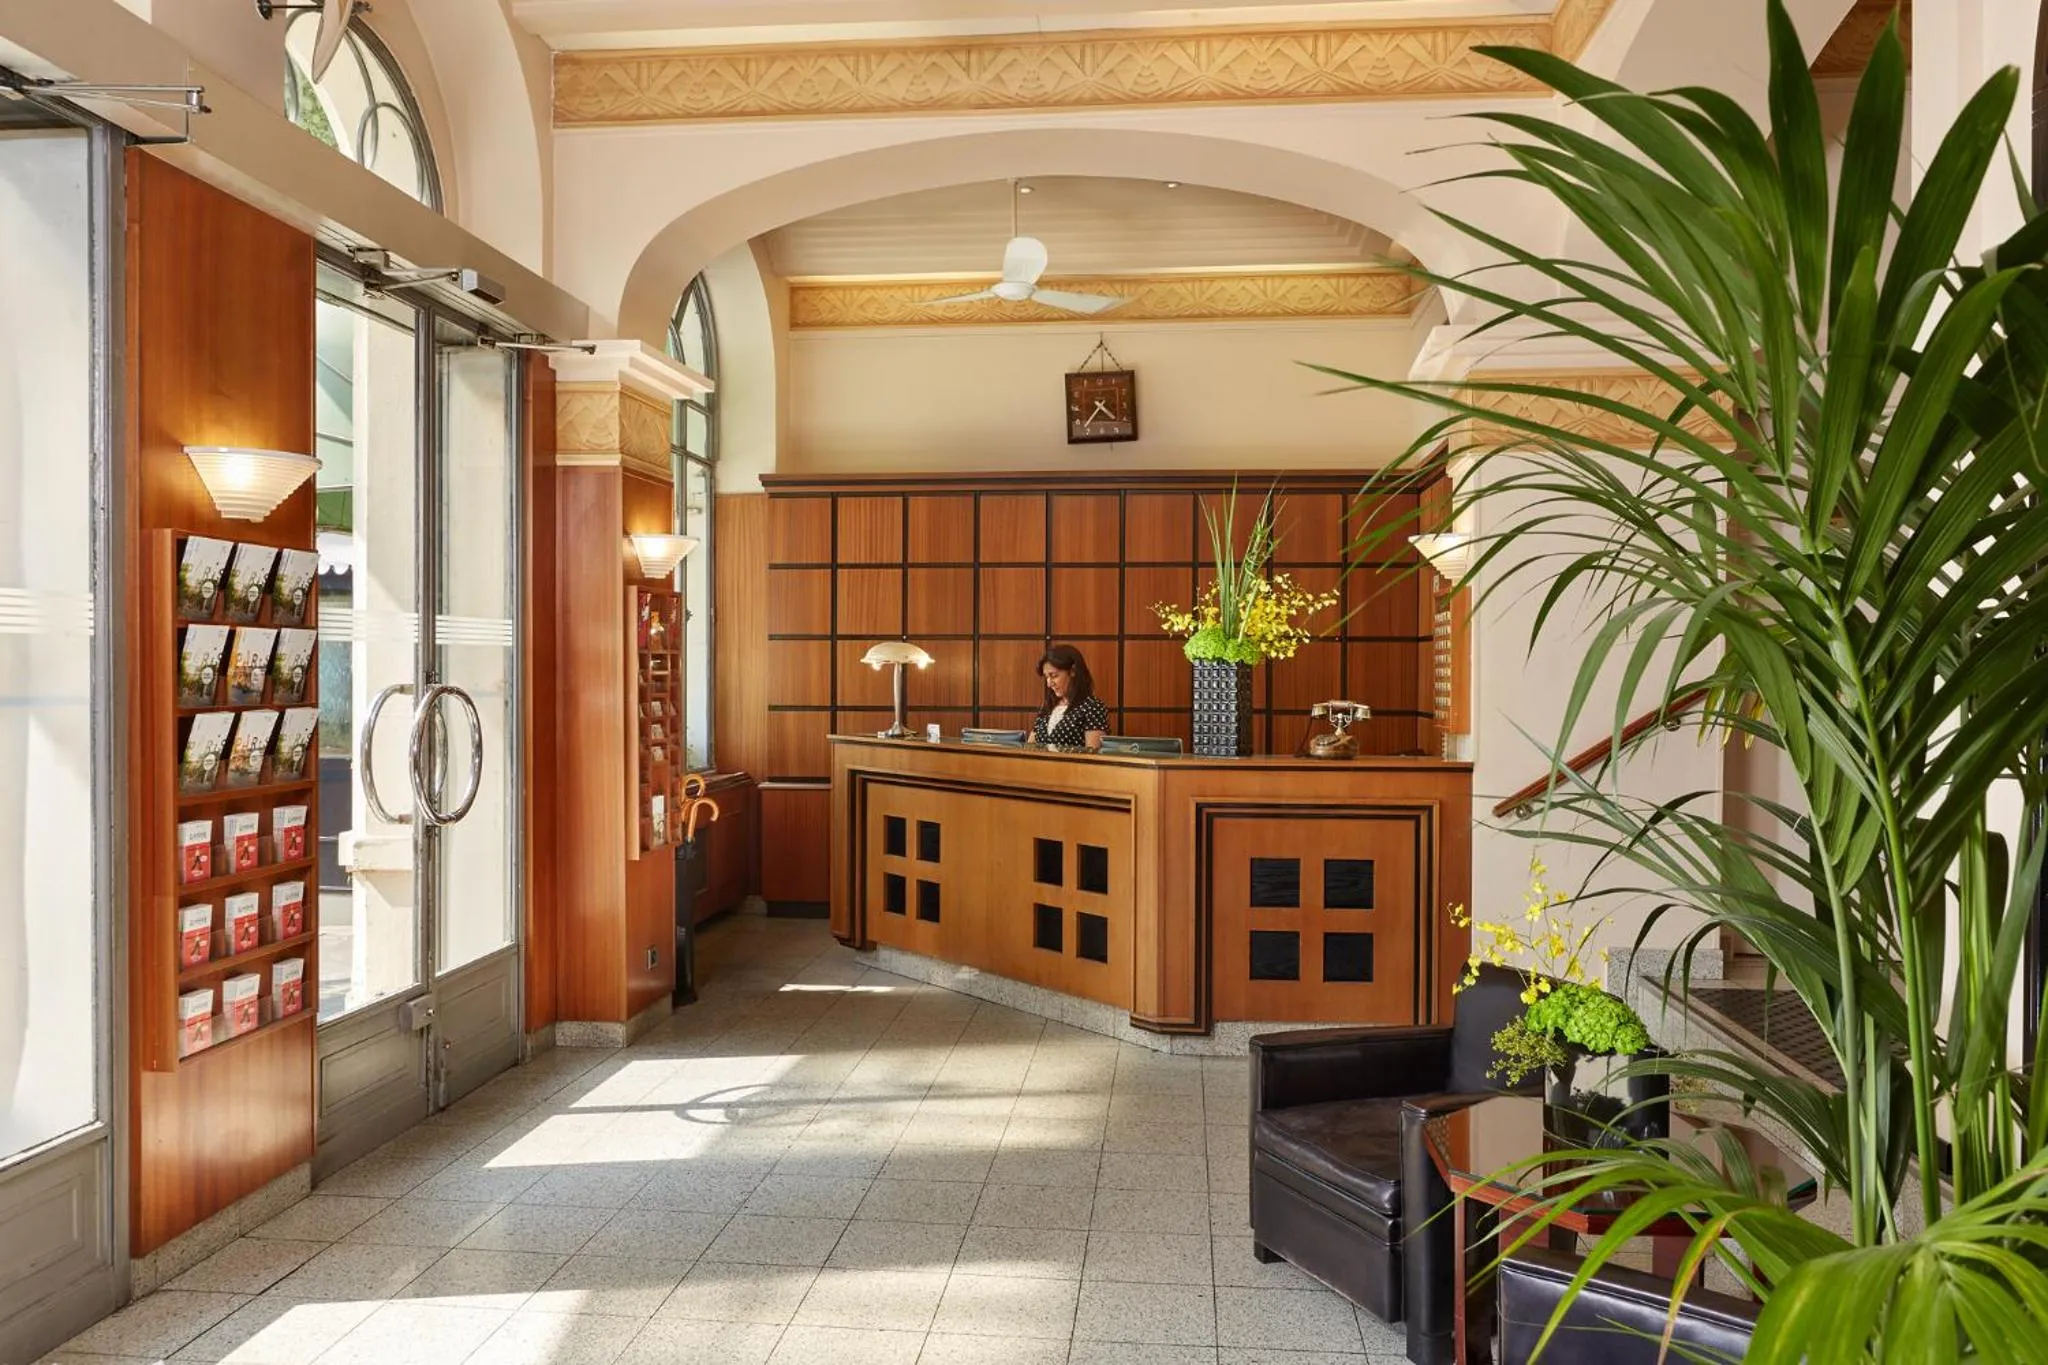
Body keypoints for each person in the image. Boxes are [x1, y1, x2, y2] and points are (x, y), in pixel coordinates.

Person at [1030, 643, 1109, 751]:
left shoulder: (1093, 707)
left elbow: (1092, 757)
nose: (1049, 684)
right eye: (1046, 677)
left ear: (1073, 671)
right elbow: (1030, 747)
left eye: (1054, 676)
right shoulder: (1048, 706)